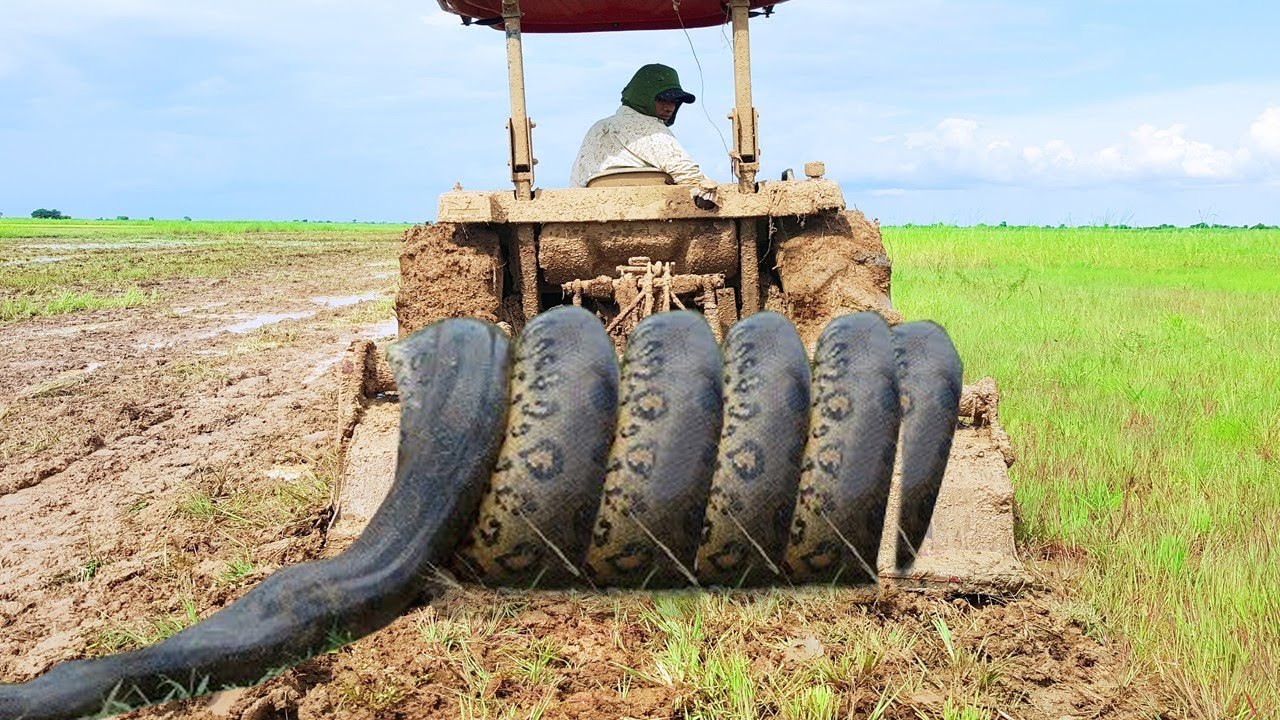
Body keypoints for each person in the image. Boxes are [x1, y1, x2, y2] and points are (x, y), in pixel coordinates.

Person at [569, 64, 719, 208]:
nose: (669, 108)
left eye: (674, 102)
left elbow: (577, 182)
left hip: (597, 209)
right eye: (662, 100)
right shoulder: (650, 127)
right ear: (642, 96)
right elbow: (687, 173)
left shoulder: (598, 128)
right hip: (654, 211)